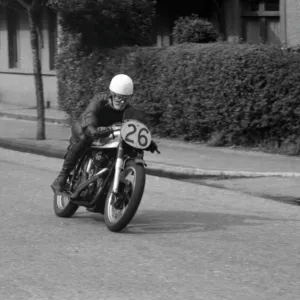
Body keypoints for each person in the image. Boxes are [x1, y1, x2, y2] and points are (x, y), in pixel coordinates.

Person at [51, 74, 158, 193]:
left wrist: (147, 141)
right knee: (84, 137)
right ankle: (62, 177)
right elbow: (90, 114)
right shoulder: (99, 102)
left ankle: (112, 181)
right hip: (90, 130)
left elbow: (134, 127)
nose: (122, 101)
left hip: (109, 136)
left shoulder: (129, 111)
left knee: (130, 149)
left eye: (126, 98)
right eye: (119, 97)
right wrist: (92, 129)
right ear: (112, 94)